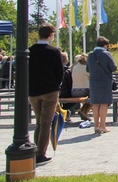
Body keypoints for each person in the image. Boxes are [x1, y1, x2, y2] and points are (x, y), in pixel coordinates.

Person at [28, 23, 64, 164]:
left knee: (39, 122)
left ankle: (35, 150)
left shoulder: (29, 51)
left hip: (33, 92)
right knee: (46, 123)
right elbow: (60, 73)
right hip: (49, 90)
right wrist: (55, 84)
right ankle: (40, 153)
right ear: (51, 34)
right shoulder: (54, 52)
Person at [87, 36, 118, 135]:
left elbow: (88, 69)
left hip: (93, 82)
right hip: (105, 81)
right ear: (105, 45)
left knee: (95, 104)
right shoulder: (106, 54)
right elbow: (113, 67)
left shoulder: (90, 55)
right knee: (104, 103)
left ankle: (96, 126)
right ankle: (103, 126)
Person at [70, 53, 92, 121]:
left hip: (73, 91)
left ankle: (83, 112)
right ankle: (84, 112)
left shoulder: (74, 67)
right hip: (84, 90)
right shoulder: (87, 68)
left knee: (89, 97)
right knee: (95, 97)